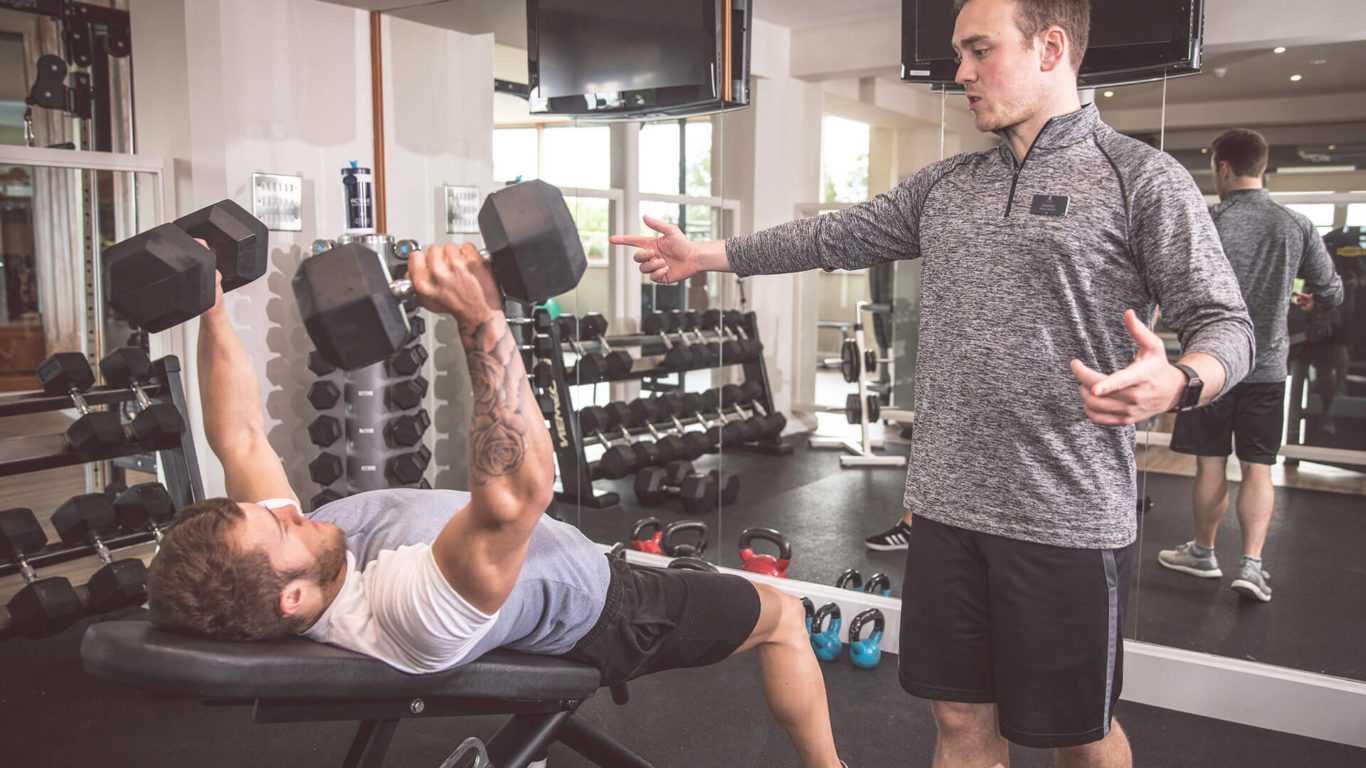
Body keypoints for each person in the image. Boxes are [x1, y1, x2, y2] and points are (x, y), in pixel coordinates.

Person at [611, 0, 1255, 765]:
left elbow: (1228, 325)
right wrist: (707, 255)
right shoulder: (948, 185)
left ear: (1050, 47)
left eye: (980, 50)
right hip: (946, 511)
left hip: (1066, 520)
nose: (962, 73)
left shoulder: (1141, 179)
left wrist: (1181, 381)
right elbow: (831, 233)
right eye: (959, 53)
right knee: (958, 725)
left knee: (1080, 737)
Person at [144, 244, 845, 768]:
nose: (290, 508)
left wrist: (211, 311)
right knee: (782, 615)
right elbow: (519, 494)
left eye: (272, 509)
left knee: (694, 578)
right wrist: (480, 317)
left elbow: (236, 434)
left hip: (553, 570)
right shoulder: (403, 608)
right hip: (615, 611)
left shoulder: (293, 566)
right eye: (281, 524)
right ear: (292, 599)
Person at [1159, 129, 1343, 603]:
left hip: (1212, 366)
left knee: (1211, 463)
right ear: (1262, 168)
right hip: (1266, 369)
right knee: (1259, 468)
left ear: (1222, 167)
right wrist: (1306, 301)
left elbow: (1174, 291)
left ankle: (1204, 552)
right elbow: (1332, 292)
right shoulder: (1295, 223)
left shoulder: (1210, 220)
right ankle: (1252, 566)